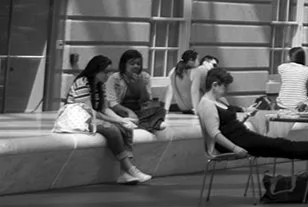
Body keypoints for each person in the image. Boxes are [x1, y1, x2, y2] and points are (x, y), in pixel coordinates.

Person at [195, 67, 308, 163]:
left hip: (242, 136)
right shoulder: (207, 104)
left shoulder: (219, 101)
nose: (227, 91)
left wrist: (246, 115)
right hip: (235, 142)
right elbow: (214, 133)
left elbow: (229, 126)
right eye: (225, 87)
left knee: (276, 146)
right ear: (214, 85)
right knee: (277, 144)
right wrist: (235, 149)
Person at [55, 55, 152, 183]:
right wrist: (118, 121)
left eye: (110, 71)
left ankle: (124, 172)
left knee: (126, 128)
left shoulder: (101, 85)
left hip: (92, 116)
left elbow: (104, 109)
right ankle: (130, 168)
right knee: (112, 130)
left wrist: (122, 120)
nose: (108, 75)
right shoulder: (82, 82)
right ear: (96, 70)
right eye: (106, 72)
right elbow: (89, 111)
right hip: (80, 119)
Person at [107, 49, 167, 133]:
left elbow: (146, 100)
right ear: (124, 64)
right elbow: (112, 103)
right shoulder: (114, 78)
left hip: (139, 111)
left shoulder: (145, 77)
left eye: (138, 64)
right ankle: (150, 124)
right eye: (132, 64)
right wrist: (129, 111)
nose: (136, 66)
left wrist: (141, 85)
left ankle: (140, 124)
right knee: (118, 116)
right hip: (121, 111)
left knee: (161, 110)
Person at [167, 49, 202, 114]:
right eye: (197, 59)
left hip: (181, 107)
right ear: (191, 60)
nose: (199, 62)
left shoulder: (173, 71)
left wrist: (166, 109)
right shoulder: (196, 71)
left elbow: (170, 92)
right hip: (192, 107)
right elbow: (194, 92)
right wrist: (197, 110)